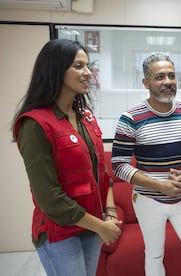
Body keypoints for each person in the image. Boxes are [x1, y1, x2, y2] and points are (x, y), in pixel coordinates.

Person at [11, 39, 122, 276]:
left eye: (88, 66)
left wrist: (108, 215)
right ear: (55, 70)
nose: (88, 73)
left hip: (91, 225)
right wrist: (102, 226)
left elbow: (102, 174)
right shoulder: (35, 124)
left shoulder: (86, 118)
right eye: (78, 66)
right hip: (59, 232)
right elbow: (49, 197)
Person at [111, 53, 181, 276]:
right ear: (146, 82)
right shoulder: (130, 119)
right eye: (159, 77)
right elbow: (119, 164)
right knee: (154, 254)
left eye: (171, 76)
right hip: (148, 200)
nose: (167, 82)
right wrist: (159, 186)